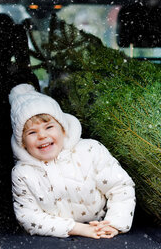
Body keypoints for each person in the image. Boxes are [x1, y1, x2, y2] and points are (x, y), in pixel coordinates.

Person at [9, 83, 136, 239]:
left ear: (63, 129)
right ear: (22, 142)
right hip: (55, 241)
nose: (42, 136)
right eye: (32, 132)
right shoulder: (22, 173)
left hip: (103, 230)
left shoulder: (90, 151)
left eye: (49, 127)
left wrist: (114, 223)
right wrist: (78, 229)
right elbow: (28, 217)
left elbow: (120, 187)